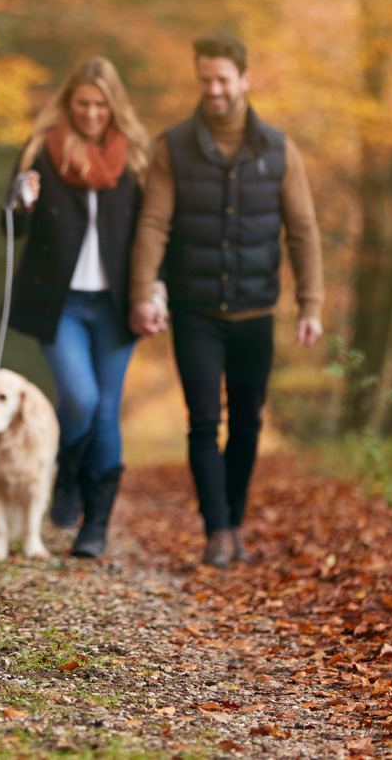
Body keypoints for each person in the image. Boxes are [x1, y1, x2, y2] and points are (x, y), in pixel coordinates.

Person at [128, 33, 324, 569]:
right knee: (202, 421)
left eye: (222, 79)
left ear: (244, 80)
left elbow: (303, 231)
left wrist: (311, 304)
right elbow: (153, 224)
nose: (213, 89)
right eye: (205, 80)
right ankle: (216, 530)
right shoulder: (174, 147)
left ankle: (234, 523)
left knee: (247, 424)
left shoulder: (278, 150)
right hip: (195, 312)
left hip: (256, 312)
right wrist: (143, 293)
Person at [3, 56, 155, 559]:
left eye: (100, 106)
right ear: (69, 103)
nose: (91, 114)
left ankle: (96, 525)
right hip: (59, 302)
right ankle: (67, 473)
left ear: (114, 108)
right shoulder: (41, 151)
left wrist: (154, 293)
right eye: (83, 104)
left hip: (115, 304)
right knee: (80, 397)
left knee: (106, 410)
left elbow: (154, 232)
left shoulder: (135, 158)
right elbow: (10, 226)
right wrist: (22, 202)